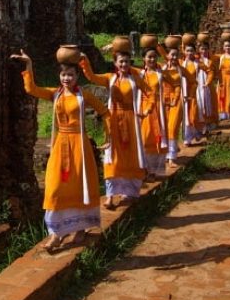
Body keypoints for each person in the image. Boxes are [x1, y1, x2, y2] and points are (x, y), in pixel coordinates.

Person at [11, 49, 108, 253]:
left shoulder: (85, 95)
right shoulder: (55, 94)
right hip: (60, 145)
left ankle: (80, 228)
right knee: (55, 187)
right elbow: (31, 89)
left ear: (77, 76)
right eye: (63, 75)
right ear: (59, 76)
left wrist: (109, 138)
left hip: (79, 145)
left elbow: (105, 113)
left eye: (71, 75)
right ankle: (57, 232)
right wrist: (29, 64)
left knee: (79, 186)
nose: (66, 78)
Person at [79, 50, 149, 209]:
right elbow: (91, 77)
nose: (124, 64)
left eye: (126, 61)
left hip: (131, 120)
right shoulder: (109, 79)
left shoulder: (136, 79)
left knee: (131, 155)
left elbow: (150, 93)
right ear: (115, 63)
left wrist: (147, 109)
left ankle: (130, 192)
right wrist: (84, 61)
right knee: (111, 155)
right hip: (113, 120)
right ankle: (110, 196)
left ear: (130, 63)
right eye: (121, 62)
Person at [134, 46, 181, 180]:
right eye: (149, 57)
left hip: (158, 111)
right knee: (143, 139)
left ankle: (153, 171)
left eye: (154, 57)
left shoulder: (162, 74)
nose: (152, 59)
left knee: (156, 140)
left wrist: (175, 99)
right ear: (143, 58)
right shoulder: (138, 74)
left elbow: (177, 84)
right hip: (141, 110)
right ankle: (143, 170)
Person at [181, 40, 213, 145]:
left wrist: (207, 82)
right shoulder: (181, 63)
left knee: (194, 114)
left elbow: (209, 71)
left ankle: (196, 132)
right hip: (183, 92)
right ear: (184, 52)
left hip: (194, 92)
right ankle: (187, 138)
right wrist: (158, 46)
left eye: (191, 51)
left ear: (195, 52)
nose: (189, 53)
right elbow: (167, 58)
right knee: (185, 115)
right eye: (187, 51)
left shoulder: (198, 63)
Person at [196, 39, 219, 132]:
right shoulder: (196, 60)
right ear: (198, 50)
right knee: (200, 104)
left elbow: (215, 72)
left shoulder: (211, 60)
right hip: (198, 85)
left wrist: (210, 81)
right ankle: (202, 124)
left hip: (209, 86)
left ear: (208, 50)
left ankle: (211, 122)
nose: (204, 51)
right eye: (202, 49)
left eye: (206, 49)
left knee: (211, 103)